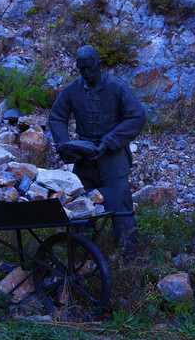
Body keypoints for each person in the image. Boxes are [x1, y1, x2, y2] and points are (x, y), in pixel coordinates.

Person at [48, 44, 146, 258]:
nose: (87, 74)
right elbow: (56, 117)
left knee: (121, 211)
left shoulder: (117, 87)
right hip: (85, 162)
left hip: (113, 160)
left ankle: (128, 260)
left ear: (98, 64)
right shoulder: (72, 89)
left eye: (90, 68)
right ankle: (82, 258)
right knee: (81, 211)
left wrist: (109, 141)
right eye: (82, 69)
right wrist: (65, 145)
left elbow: (137, 116)